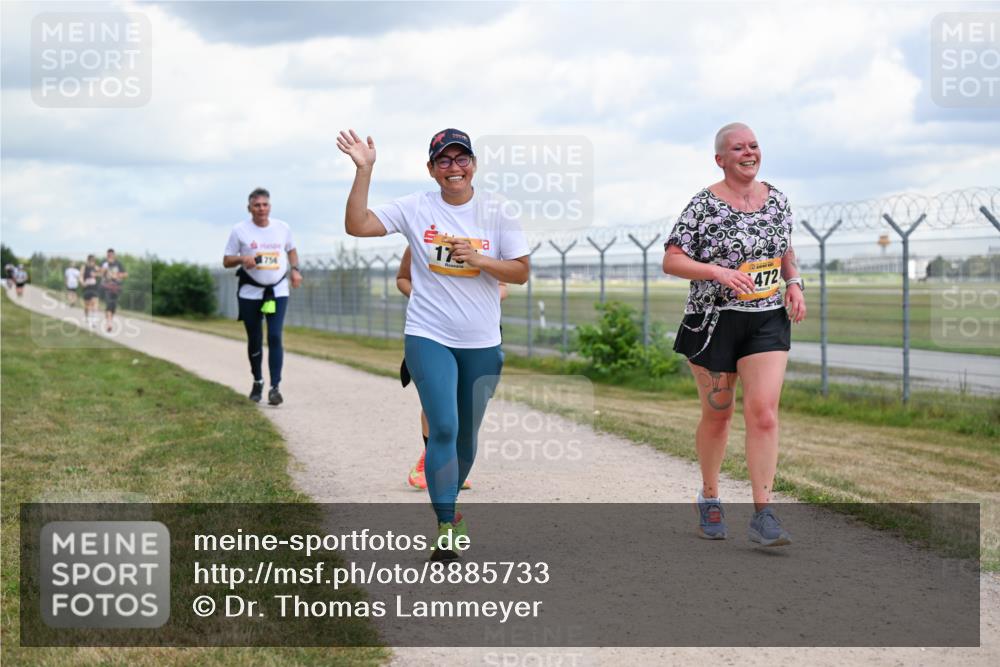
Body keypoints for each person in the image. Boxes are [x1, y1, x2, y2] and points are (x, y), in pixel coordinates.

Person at [338, 127, 530, 561]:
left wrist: (479, 259)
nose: (453, 167)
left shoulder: (498, 211)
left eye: (461, 159)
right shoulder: (416, 207)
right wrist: (364, 170)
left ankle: (451, 506)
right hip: (428, 335)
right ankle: (445, 524)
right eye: (444, 160)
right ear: (431, 169)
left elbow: (520, 272)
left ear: (473, 165)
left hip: (482, 341)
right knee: (443, 426)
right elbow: (357, 225)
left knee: (466, 436)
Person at [662, 122, 806, 547]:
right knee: (719, 414)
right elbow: (672, 260)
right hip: (714, 321)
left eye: (754, 146)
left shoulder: (777, 200)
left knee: (764, 414)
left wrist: (795, 283)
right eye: (738, 148)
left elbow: (784, 250)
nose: (748, 153)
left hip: (766, 318)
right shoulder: (703, 205)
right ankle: (710, 497)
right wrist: (716, 272)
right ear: (720, 159)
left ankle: (764, 514)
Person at [397, 246, 509, 491]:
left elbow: (503, 286)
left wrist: (480, 299)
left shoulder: (488, 241)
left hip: (478, 333)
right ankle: (429, 460)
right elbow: (403, 279)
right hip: (432, 331)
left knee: (465, 405)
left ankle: (452, 465)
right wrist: (426, 299)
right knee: (438, 399)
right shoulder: (423, 237)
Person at [223, 187, 303, 406]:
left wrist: (295, 270)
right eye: (257, 205)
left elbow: (291, 250)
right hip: (251, 292)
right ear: (249, 208)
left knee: (275, 336)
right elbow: (227, 260)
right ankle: (257, 381)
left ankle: (275, 387)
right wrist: (242, 259)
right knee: (255, 338)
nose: (261, 209)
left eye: (265, 204)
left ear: (270, 206)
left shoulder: (282, 228)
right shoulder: (240, 230)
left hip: (277, 291)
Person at [100, 249, 128, 332]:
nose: (110, 256)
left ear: (114, 255)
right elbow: (100, 273)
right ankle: (109, 324)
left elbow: (126, 274)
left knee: (113, 307)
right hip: (107, 286)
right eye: (109, 255)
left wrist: (117, 275)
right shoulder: (104, 263)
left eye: (111, 255)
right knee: (109, 304)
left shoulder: (118, 263)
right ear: (107, 255)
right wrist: (104, 270)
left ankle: (110, 320)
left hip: (116, 287)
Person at [81, 255, 101, 328]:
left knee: (94, 302)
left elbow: (102, 273)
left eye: (93, 261)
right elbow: (81, 276)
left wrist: (96, 274)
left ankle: (94, 321)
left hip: (94, 287)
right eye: (91, 261)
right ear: (88, 260)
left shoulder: (96, 267)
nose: (92, 262)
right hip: (86, 287)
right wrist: (82, 282)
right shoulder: (84, 267)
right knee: (87, 306)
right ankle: (87, 317)